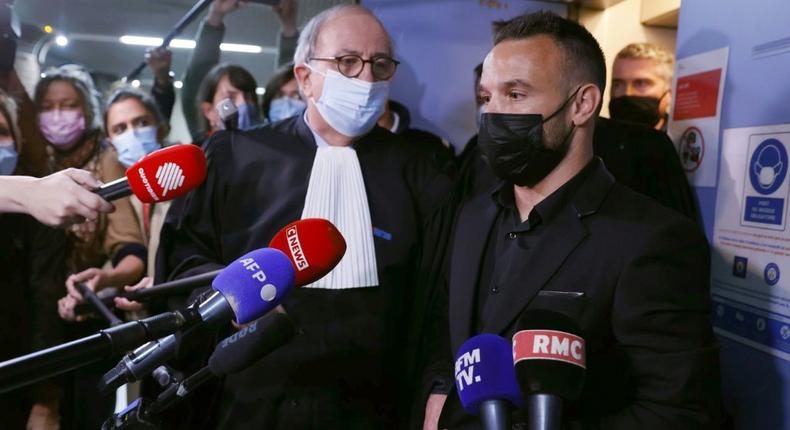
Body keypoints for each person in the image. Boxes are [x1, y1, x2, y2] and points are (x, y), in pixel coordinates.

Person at [156, 5, 453, 429]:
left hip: (375, 406)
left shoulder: (421, 169)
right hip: (250, 402)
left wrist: (437, 385)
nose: (365, 79)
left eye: (380, 64)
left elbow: (442, 295)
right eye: (347, 62)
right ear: (304, 77)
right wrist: (228, 297)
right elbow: (184, 254)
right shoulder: (236, 156)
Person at [426, 11, 721, 429]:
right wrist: (438, 388)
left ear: (582, 104)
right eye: (487, 97)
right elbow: (446, 332)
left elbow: (679, 411)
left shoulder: (653, 240)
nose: (493, 115)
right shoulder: (473, 217)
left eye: (515, 94)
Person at [34, 64, 144, 429]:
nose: (57, 116)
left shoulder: (104, 159)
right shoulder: (31, 162)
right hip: (33, 324)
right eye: (48, 107)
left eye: (68, 105)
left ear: (86, 109)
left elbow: (130, 249)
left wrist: (108, 277)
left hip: (88, 323)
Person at [0, 88, 68, 430]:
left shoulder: (40, 210)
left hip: (14, 384)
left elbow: (45, 306)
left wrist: (45, 401)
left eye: (1, 132)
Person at [181, 0, 298, 142]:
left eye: (249, 97)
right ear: (208, 111)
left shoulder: (268, 153)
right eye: (230, 98)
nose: (243, 104)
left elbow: (288, 81)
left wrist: (289, 25)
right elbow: (197, 77)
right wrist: (215, 16)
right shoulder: (199, 156)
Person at [609, 42, 674, 130]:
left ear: (669, 94)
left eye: (641, 83)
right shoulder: (592, 139)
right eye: (618, 84)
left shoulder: (684, 140)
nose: (627, 93)